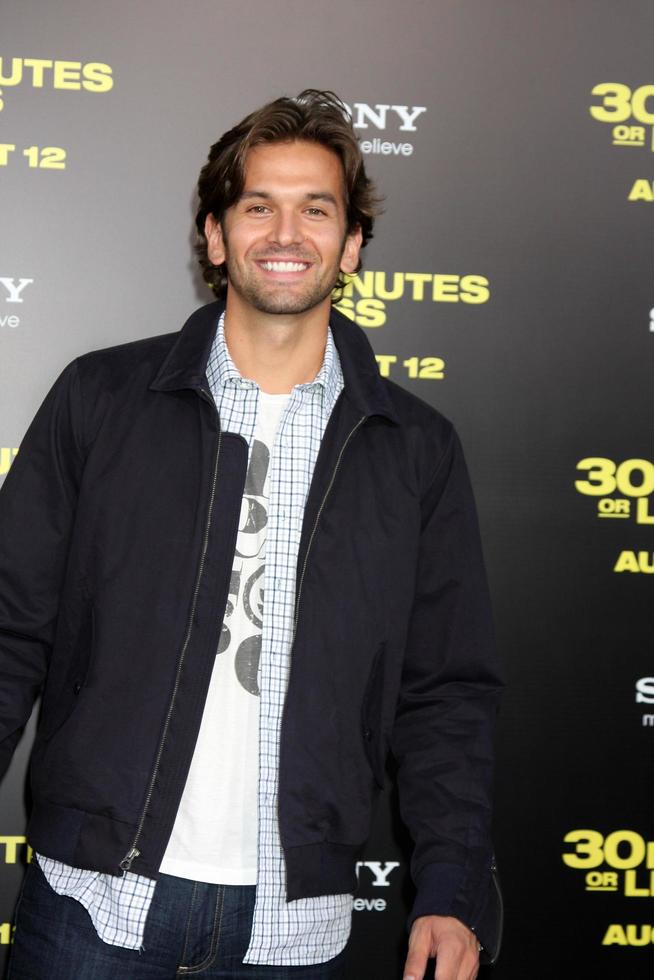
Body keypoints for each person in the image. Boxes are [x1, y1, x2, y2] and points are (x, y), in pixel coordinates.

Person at [0, 90, 503, 980]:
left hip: (294, 932)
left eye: (317, 208)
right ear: (215, 235)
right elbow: (9, 629)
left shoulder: (416, 450)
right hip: (93, 905)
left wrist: (454, 888)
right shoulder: (101, 402)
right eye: (257, 205)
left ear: (350, 246)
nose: (286, 230)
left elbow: (446, 692)